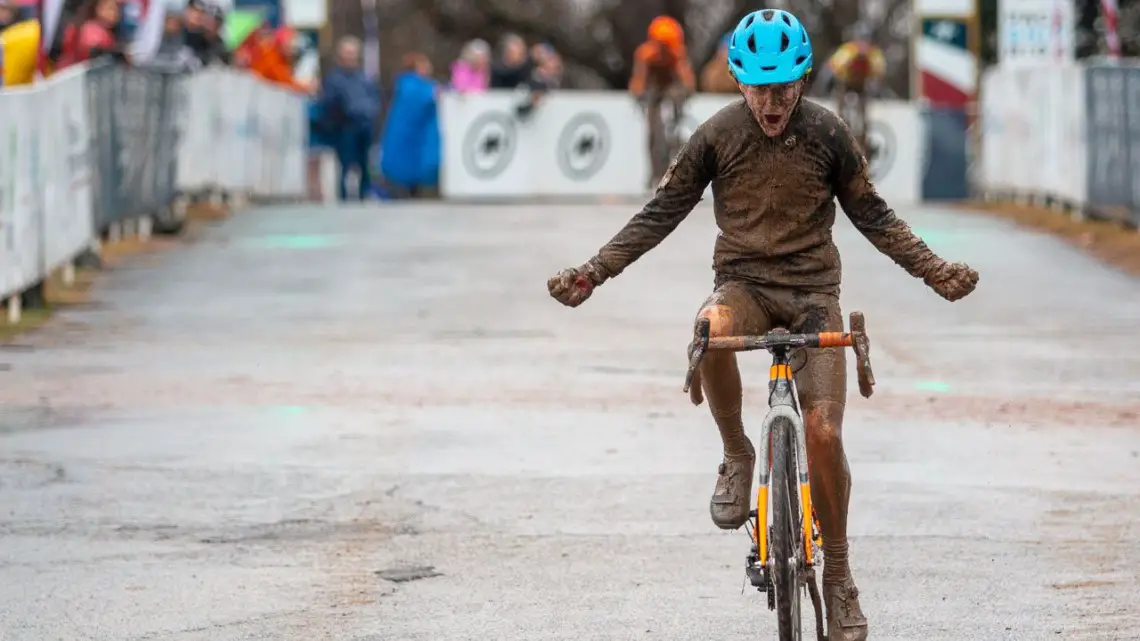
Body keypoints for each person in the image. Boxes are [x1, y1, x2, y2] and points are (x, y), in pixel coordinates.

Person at [546, 9, 979, 641]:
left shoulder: (828, 133)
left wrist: (935, 271)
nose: (772, 103)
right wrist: (593, 271)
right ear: (738, 81)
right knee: (708, 327)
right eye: (759, 87)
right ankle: (736, 450)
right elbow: (660, 213)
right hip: (743, 286)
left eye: (784, 88)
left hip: (811, 294)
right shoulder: (718, 134)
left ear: (803, 79)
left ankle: (839, 576)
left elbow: (877, 218)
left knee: (824, 432)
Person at [629, 15, 696, 188]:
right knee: (653, 132)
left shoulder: (678, 53)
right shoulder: (645, 55)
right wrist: (639, 94)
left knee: (674, 103)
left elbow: (687, 80)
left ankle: (675, 145)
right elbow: (639, 80)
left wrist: (683, 93)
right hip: (653, 91)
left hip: (671, 88)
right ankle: (654, 173)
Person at [316, 35, 381, 201]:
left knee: (364, 163)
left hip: (364, 125)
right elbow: (329, 103)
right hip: (345, 126)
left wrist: (370, 112)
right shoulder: (334, 79)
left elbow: (374, 97)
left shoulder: (365, 77)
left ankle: (364, 194)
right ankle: (344, 197)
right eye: (347, 53)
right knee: (345, 163)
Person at [379, 52, 441, 198]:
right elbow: (424, 98)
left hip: (413, 135)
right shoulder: (410, 85)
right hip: (409, 136)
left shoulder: (411, 84)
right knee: (406, 168)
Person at [825, 24, 886, 152]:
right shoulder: (849, 50)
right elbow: (834, 65)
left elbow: (879, 72)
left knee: (863, 110)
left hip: (861, 84)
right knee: (841, 102)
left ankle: (863, 133)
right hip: (846, 80)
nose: (863, 44)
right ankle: (841, 124)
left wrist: (875, 85)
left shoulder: (873, 53)